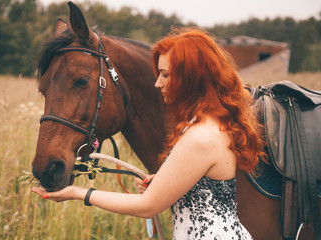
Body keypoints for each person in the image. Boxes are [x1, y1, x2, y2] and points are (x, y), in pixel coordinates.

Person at [32, 28, 265, 239]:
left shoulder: (200, 137)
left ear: (190, 77)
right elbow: (210, 188)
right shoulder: (211, 124)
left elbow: (148, 206)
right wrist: (166, 181)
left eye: (165, 75)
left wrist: (78, 193)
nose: (157, 83)